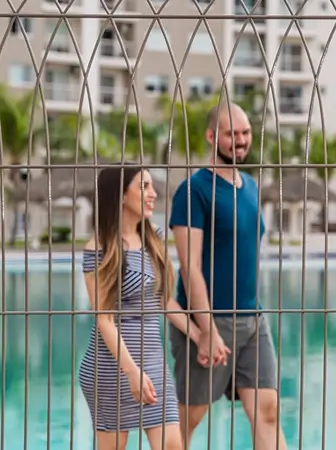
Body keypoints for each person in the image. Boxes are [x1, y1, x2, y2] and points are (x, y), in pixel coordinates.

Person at [77, 163, 225, 450]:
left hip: (153, 363)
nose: (153, 194)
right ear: (120, 196)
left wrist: (199, 336)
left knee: (172, 445)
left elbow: (162, 300)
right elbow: (104, 319)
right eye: (143, 187)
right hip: (112, 366)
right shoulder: (99, 248)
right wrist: (131, 371)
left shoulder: (152, 236)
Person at [168, 102, 288, 450]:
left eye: (245, 132)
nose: (240, 140)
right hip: (211, 321)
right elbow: (189, 266)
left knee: (267, 410)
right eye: (230, 133)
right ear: (211, 137)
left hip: (253, 318)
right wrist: (206, 330)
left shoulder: (249, 186)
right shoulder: (194, 191)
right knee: (189, 417)